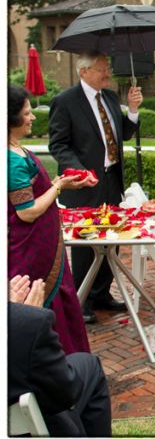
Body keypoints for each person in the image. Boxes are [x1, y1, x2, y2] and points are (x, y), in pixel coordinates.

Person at [48, 50, 143, 324]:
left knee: (111, 238)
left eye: (108, 68)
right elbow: (59, 145)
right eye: (102, 69)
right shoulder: (65, 102)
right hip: (83, 184)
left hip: (112, 179)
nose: (108, 73)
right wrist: (79, 170)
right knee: (86, 242)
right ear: (84, 72)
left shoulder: (111, 98)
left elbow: (122, 134)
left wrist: (133, 110)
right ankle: (83, 299)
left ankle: (102, 294)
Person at [8, 85, 91, 354]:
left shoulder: (17, 148)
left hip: (44, 246)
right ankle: (53, 367)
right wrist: (58, 188)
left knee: (60, 298)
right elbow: (27, 211)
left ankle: (69, 361)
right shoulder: (10, 160)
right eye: (27, 113)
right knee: (42, 300)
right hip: (30, 252)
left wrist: (59, 182)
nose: (32, 117)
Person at [9, 277, 112, 437]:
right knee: (90, 365)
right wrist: (26, 318)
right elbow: (67, 394)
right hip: (30, 421)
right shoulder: (29, 323)